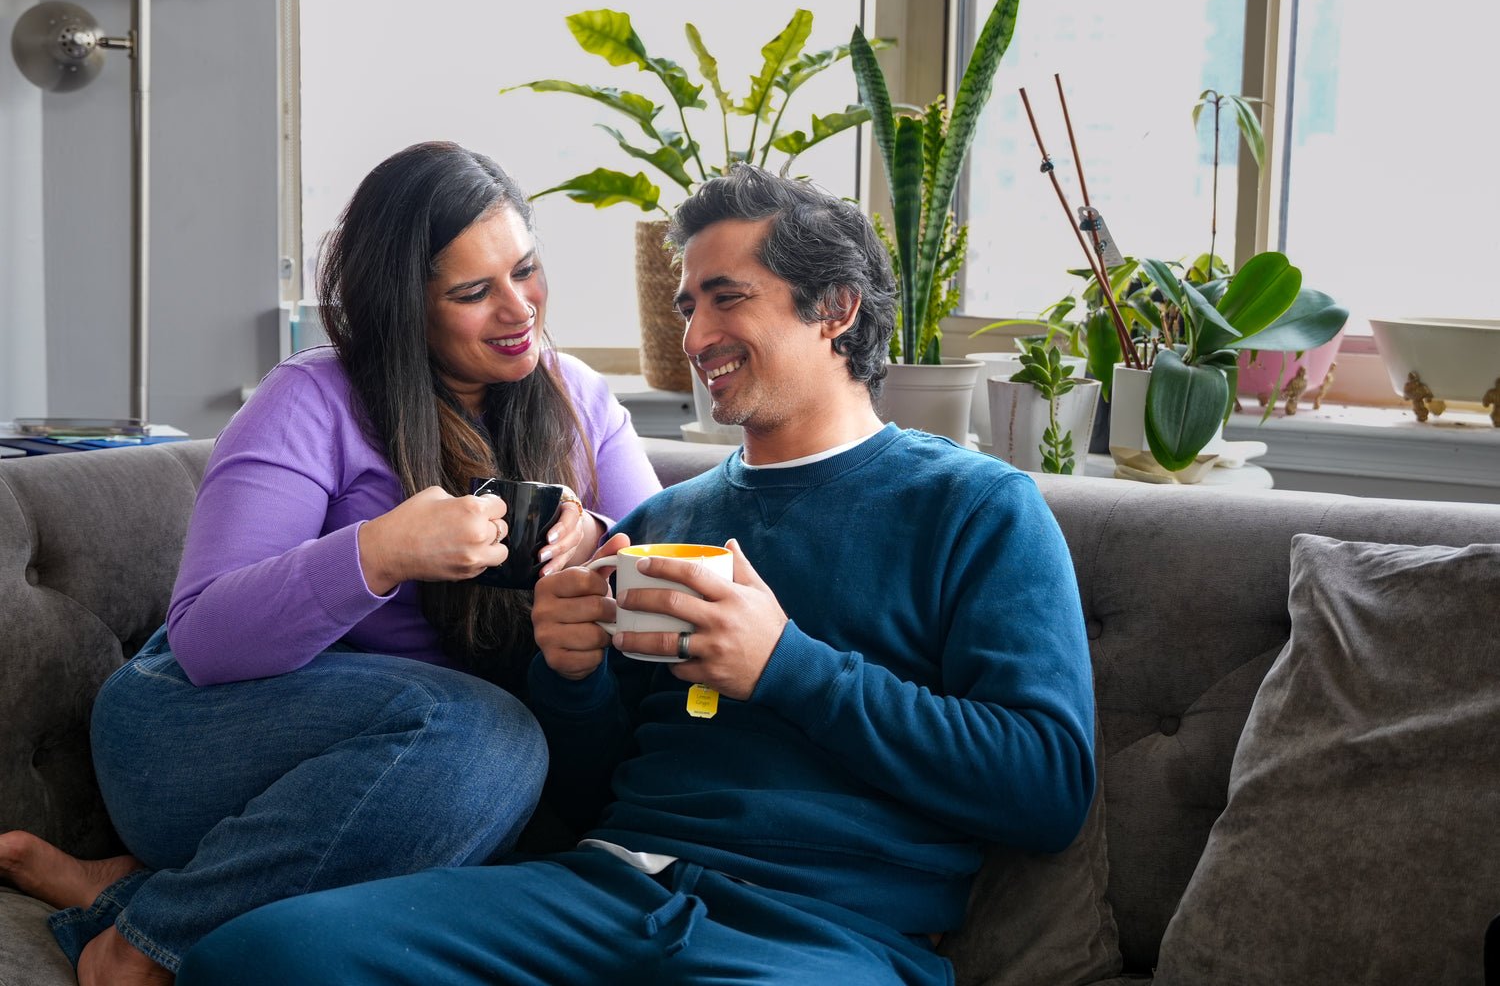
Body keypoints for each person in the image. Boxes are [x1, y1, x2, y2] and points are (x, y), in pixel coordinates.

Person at [175, 163, 1095, 986]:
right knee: (252, 959)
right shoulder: (661, 524)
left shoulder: (978, 510)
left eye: (726, 298)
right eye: (688, 304)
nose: (695, 336)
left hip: (822, 935)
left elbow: (1048, 790)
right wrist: (568, 679)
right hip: (600, 890)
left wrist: (786, 666)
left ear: (836, 309)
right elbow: (581, 792)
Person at [0, 140, 661, 985]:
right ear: (403, 307)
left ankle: (141, 893)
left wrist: (596, 537)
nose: (518, 308)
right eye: (472, 292)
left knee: (533, 789)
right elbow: (205, 640)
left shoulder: (579, 399)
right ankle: (136, 949)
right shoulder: (313, 399)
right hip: (197, 733)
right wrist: (381, 552)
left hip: (401, 784)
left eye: (525, 270)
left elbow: (653, 552)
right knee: (491, 740)